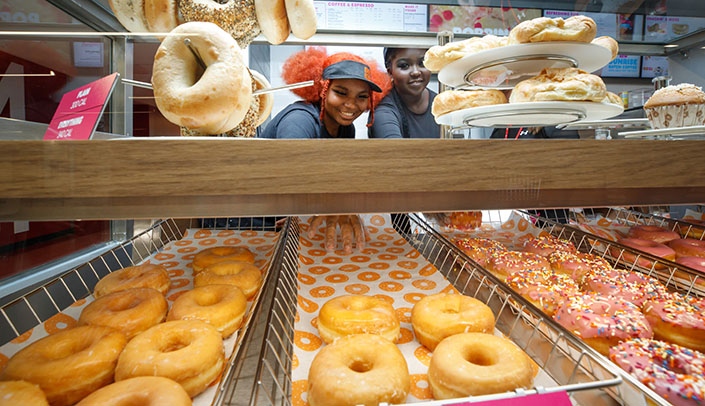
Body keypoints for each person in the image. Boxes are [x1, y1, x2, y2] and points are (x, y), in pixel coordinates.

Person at [259, 47, 391, 253]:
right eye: (340, 92)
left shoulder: (346, 128)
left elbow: (334, 178)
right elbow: (293, 172)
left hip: (289, 225)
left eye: (361, 97)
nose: (351, 104)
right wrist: (331, 206)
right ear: (323, 89)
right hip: (253, 226)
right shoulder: (299, 118)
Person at [368, 47, 440, 139]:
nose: (416, 72)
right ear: (390, 72)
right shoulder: (383, 110)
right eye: (404, 65)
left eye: (422, 63)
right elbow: (396, 150)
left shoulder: (440, 103)